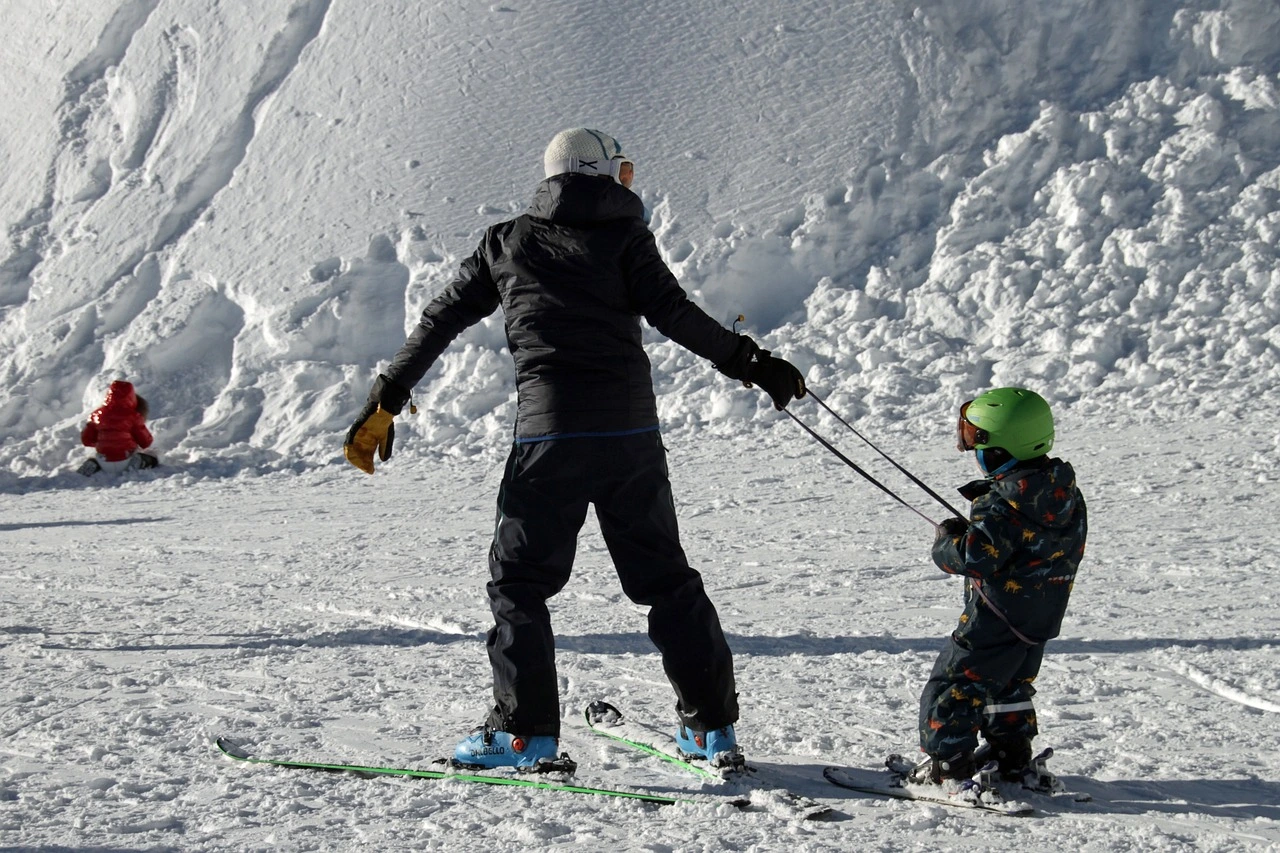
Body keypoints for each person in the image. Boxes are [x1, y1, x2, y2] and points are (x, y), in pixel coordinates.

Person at [344, 128, 806, 772]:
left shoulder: (507, 242)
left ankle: (524, 734)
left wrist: (389, 391)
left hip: (550, 438)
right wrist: (751, 363)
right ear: (600, 172)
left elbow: (442, 315)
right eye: (621, 170)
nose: (627, 181)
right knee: (667, 581)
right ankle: (710, 730)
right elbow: (676, 313)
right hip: (629, 438)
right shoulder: (625, 238)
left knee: (520, 585)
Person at [911, 387, 1086, 787]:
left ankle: (948, 766)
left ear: (998, 447)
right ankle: (1012, 756)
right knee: (1009, 684)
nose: (971, 447)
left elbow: (975, 557)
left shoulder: (1002, 503)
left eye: (975, 438)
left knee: (955, 685)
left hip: (996, 616)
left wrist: (948, 541)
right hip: (1039, 617)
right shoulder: (1064, 493)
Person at [78, 380, 158, 476]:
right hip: (127, 459)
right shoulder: (133, 416)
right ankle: (138, 461)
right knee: (153, 456)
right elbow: (145, 442)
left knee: (95, 457)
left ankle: (94, 464)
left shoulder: (97, 415)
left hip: (103, 460)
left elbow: (86, 440)